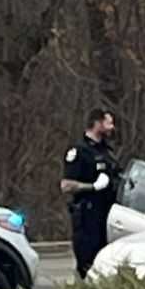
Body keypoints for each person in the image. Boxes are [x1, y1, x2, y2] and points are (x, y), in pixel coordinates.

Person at [60, 109, 120, 278]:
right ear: (97, 123)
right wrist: (92, 187)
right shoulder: (79, 151)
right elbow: (66, 185)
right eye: (108, 123)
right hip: (87, 217)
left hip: (107, 215)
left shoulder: (106, 151)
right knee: (88, 264)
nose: (111, 127)